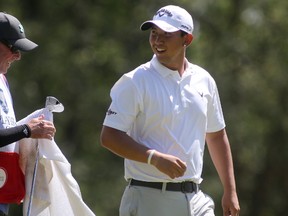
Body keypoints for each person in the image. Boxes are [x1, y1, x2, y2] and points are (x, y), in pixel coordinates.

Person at [100, 4, 240, 216]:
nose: (157, 41)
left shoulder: (204, 80)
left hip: (196, 200)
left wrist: (230, 190)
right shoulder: (135, 81)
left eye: (167, 35)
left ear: (187, 39)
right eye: (154, 34)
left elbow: (216, 135)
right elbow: (109, 136)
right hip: (149, 196)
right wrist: (153, 158)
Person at [0, 12, 56, 215]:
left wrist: (34, 126)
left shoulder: (2, 80)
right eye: (14, 48)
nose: (18, 56)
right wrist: (26, 130)